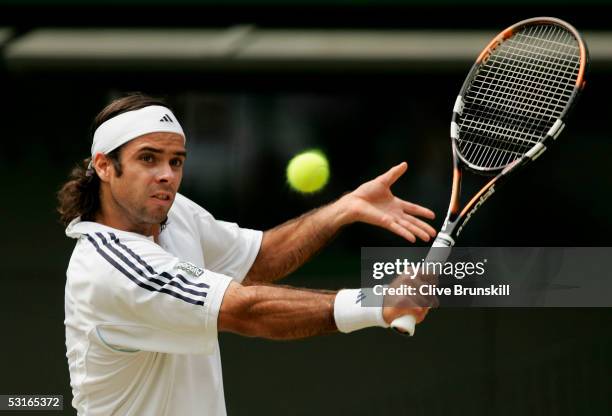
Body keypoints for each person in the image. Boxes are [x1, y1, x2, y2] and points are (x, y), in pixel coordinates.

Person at [57, 93, 437, 416]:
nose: (167, 175)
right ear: (105, 166)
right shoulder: (108, 270)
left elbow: (259, 259)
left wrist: (342, 210)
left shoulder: (175, 213)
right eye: (148, 159)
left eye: (176, 161)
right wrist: (377, 303)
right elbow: (245, 309)